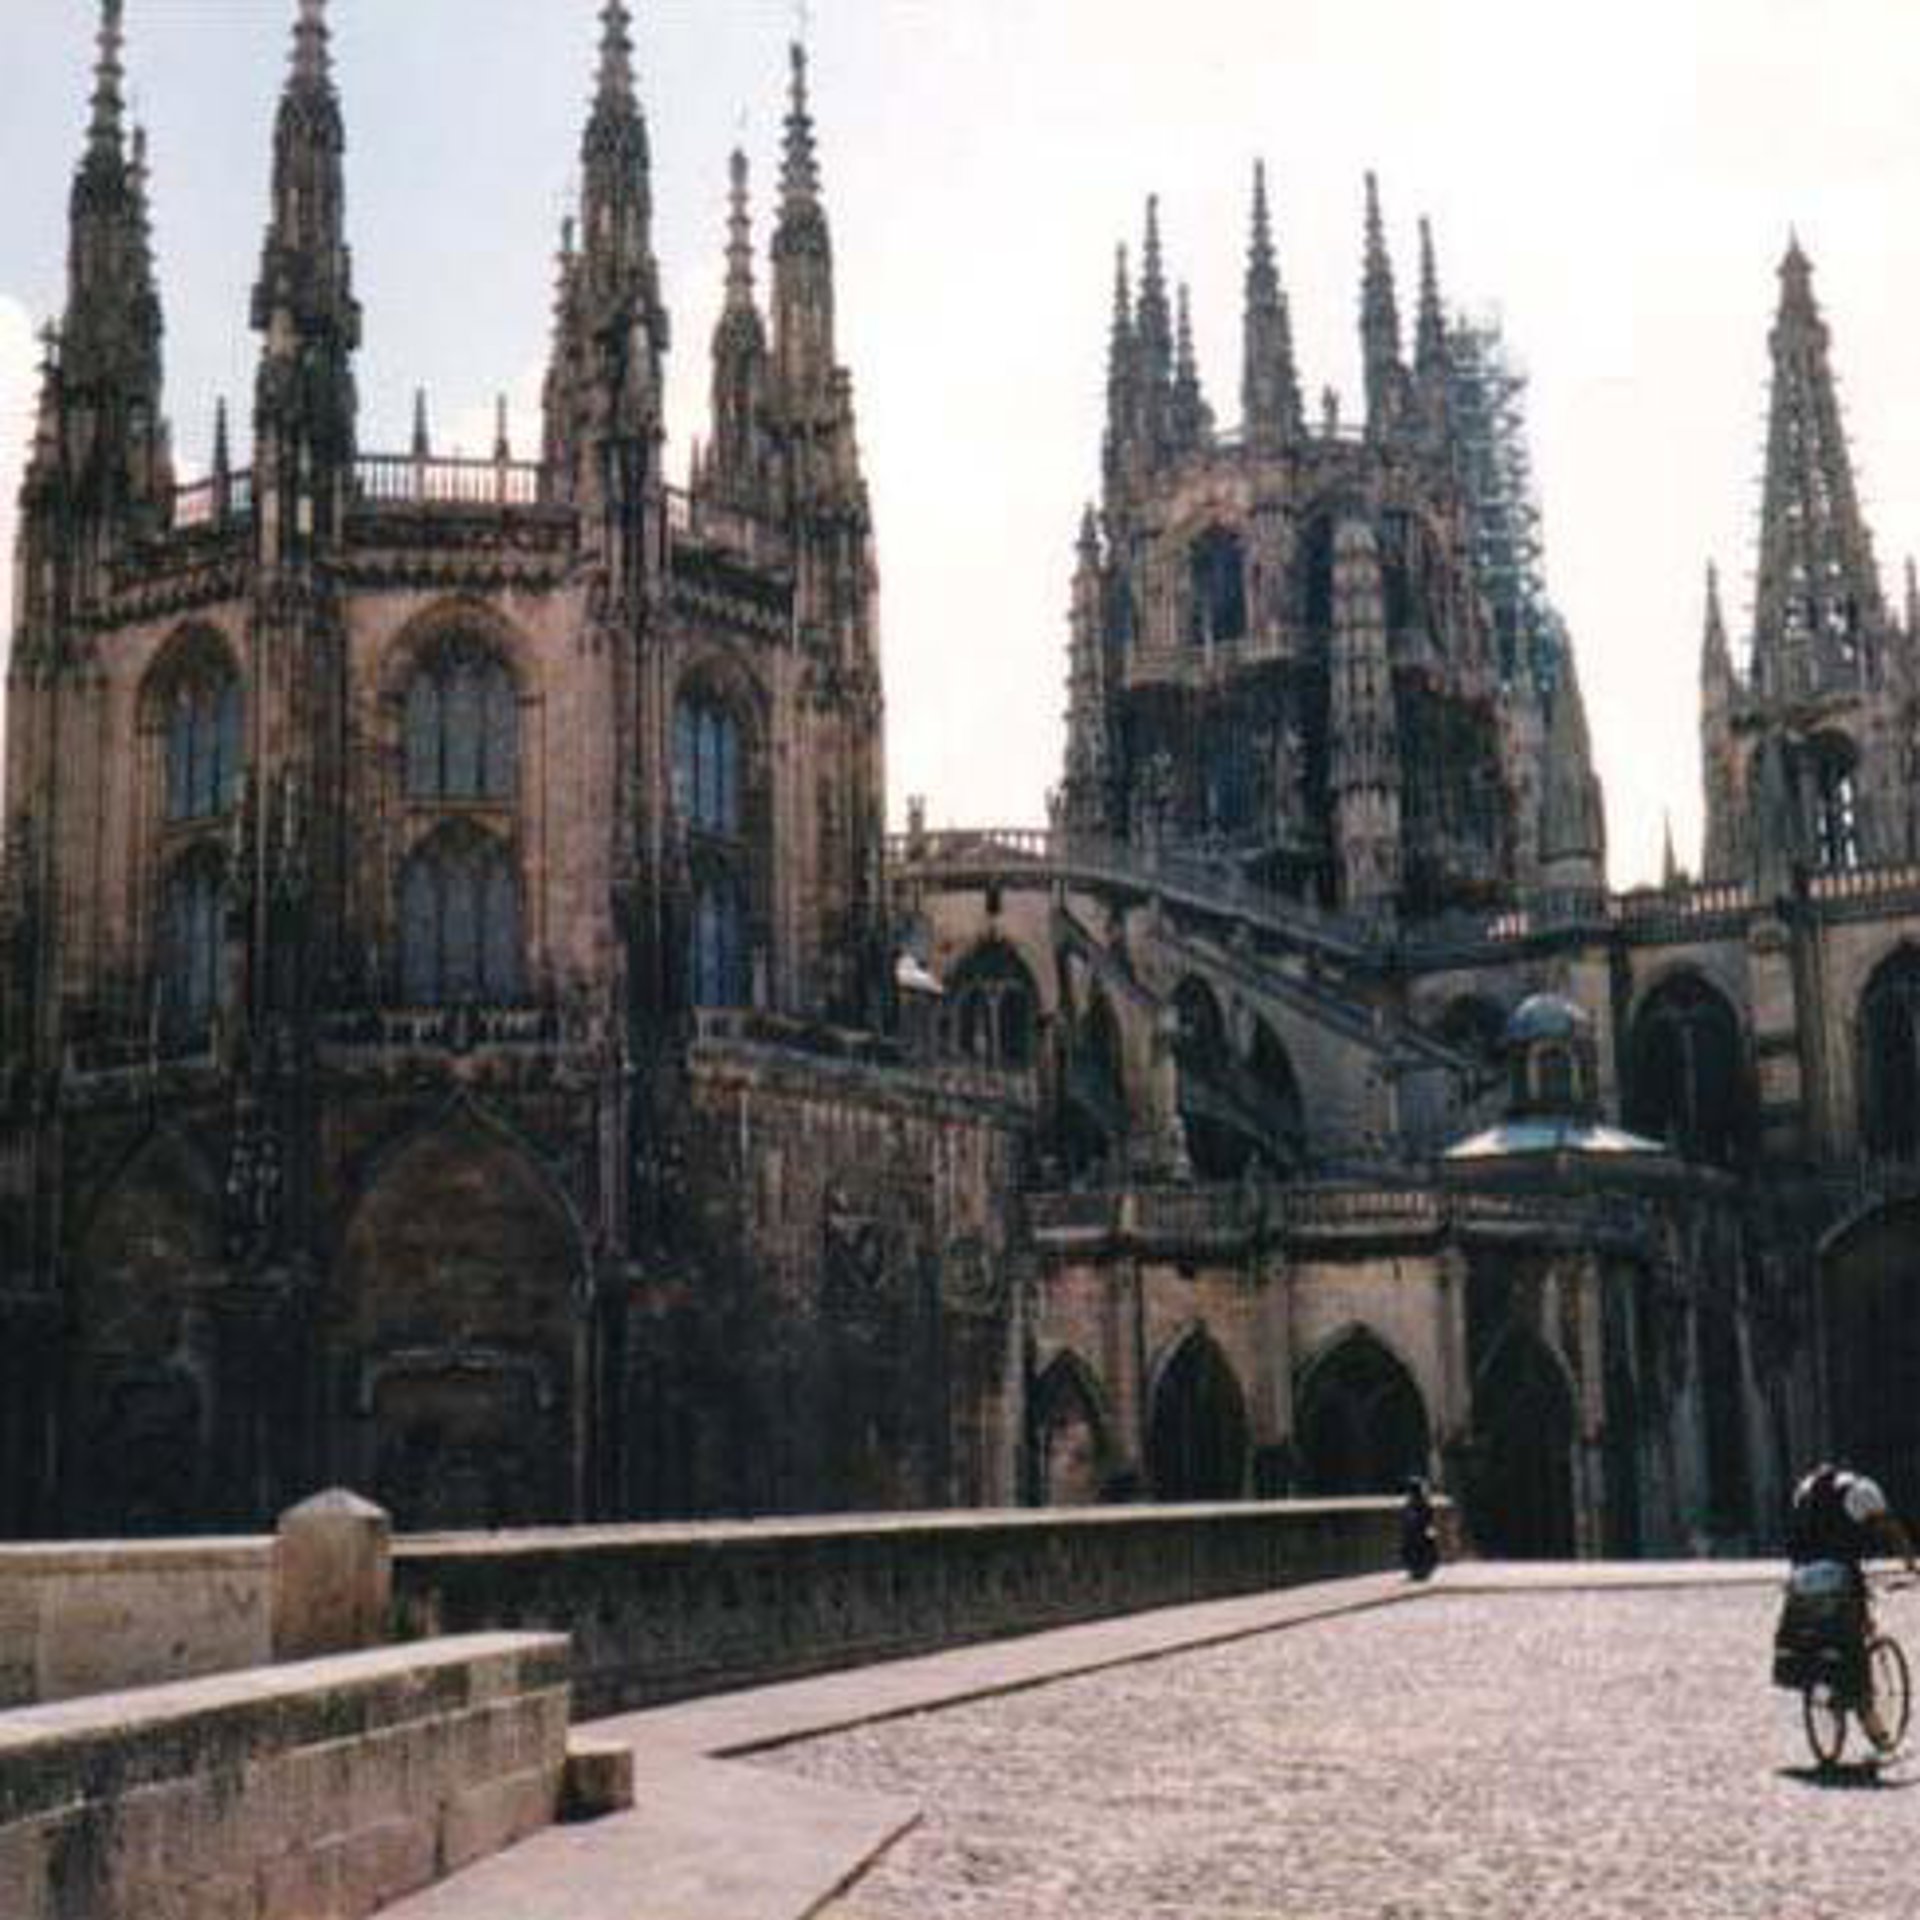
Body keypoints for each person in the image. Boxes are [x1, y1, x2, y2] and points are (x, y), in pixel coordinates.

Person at [1779, 1462, 1919, 1742]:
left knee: (1811, 1634)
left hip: (1802, 1577)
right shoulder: (1863, 1490)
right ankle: (1869, 1717)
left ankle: (1823, 1683)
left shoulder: (1803, 1491)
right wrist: (1910, 1563)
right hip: (1839, 1575)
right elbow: (1890, 1528)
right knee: (1853, 1642)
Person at [1400, 1476, 1439, 1582]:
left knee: (1423, 1550)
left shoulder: (1420, 1503)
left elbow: (1428, 1518)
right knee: (1417, 1550)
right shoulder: (1414, 1503)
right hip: (1416, 1534)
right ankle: (1418, 1571)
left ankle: (1420, 1571)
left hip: (1419, 1533)